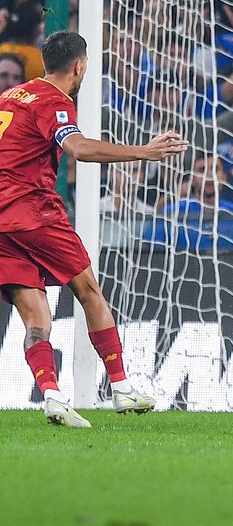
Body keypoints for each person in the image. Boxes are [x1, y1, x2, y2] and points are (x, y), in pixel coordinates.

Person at [0, 31, 186, 427]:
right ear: (80, 66)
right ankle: (120, 387)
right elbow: (79, 150)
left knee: (36, 318)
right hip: (32, 210)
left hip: (1, 222)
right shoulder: (54, 101)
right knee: (89, 291)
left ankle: (51, 396)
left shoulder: (12, 96)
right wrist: (145, 152)